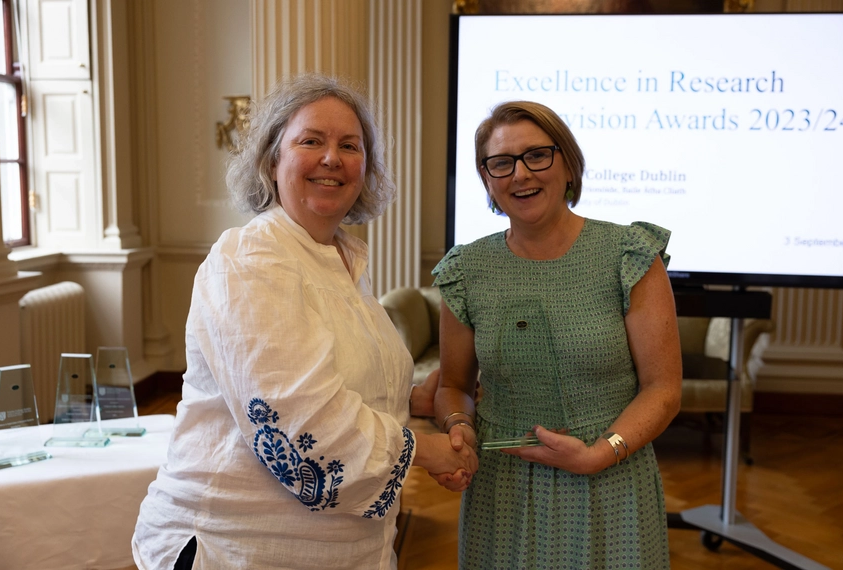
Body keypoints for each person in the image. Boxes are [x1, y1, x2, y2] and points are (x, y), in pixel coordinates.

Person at [132, 73, 477, 570]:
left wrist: (412, 398)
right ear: (272, 161)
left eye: (350, 145)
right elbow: (301, 427)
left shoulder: (341, 261)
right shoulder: (251, 258)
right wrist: (425, 450)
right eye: (310, 141)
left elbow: (341, 377)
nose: (332, 158)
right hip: (238, 548)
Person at [432, 100, 682, 568]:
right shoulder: (465, 270)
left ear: (567, 163)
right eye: (501, 163)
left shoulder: (628, 255)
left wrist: (598, 454)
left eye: (537, 156)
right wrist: (459, 427)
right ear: (487, 180)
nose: (520, 174)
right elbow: (452, 387)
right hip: (502, 484)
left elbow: (663, 389)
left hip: (611, 478)